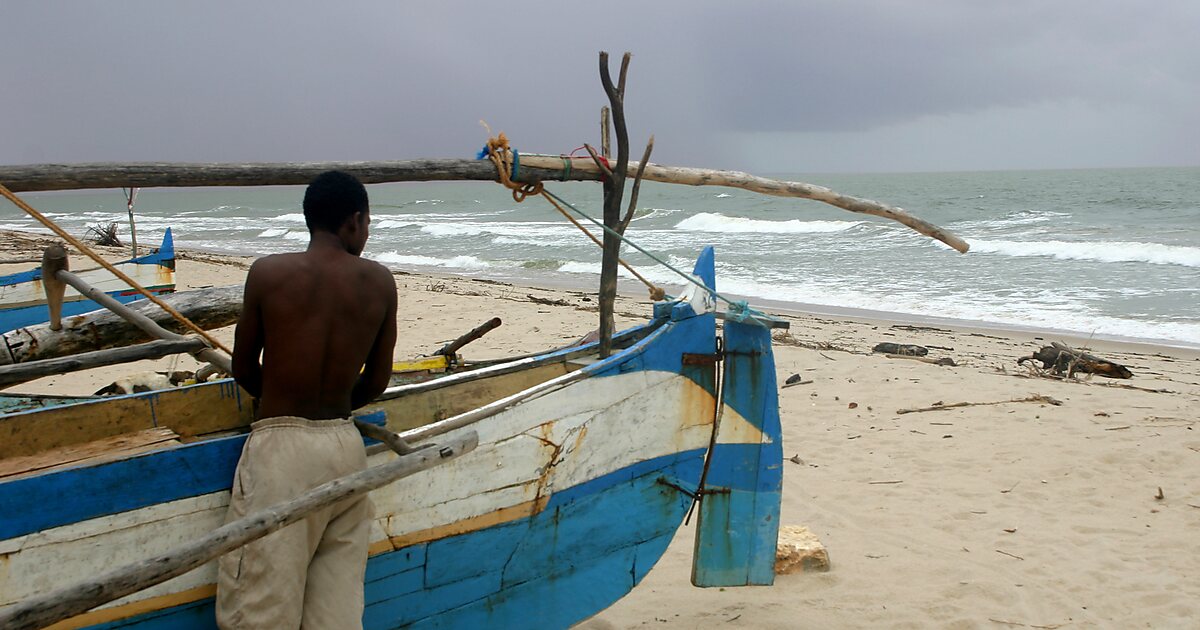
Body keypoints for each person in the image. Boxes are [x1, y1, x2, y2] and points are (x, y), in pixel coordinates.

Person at [217, 171, 397, 629]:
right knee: (335, 608)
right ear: (354, 221)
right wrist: (334, 401)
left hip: (281, 450)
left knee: (262, 605)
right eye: (368, 222)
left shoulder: (268, 273)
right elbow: (376, 381)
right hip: (345, 445)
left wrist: (281, 398)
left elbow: (243, 368)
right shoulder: (379, 282)